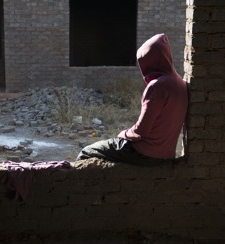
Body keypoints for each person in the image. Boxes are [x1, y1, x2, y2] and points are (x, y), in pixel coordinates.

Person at [75, 33, 188, 166]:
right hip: (167, 154)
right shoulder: (181, 83)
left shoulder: (158, 86)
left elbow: (141, 131)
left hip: (144, 153)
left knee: (87, 151)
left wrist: (123, 134)